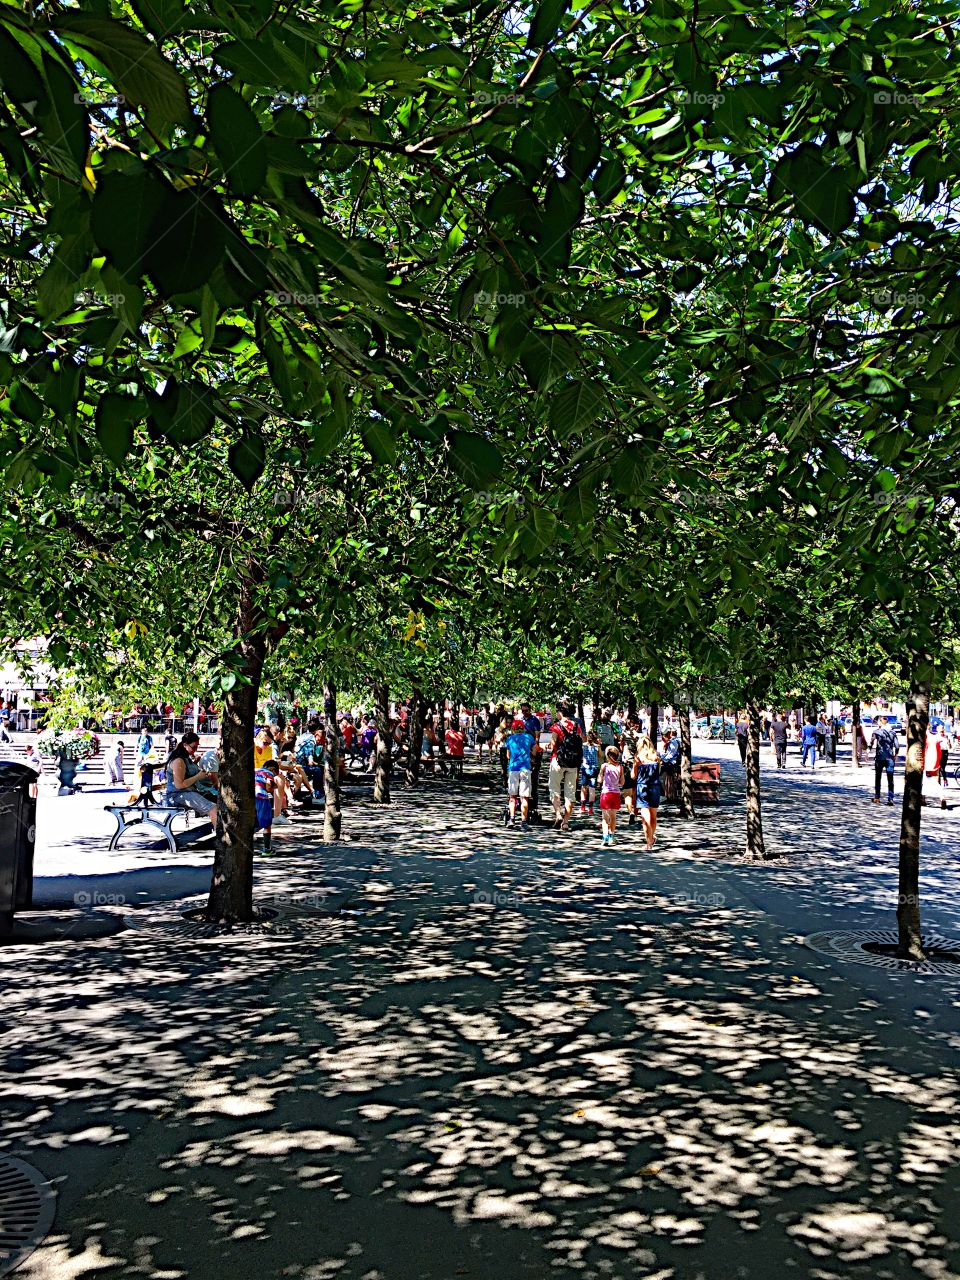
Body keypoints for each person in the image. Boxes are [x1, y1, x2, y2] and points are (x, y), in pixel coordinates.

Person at [164, 732, 218, 825]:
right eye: (194, 747)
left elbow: (186, 772)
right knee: (213, 808)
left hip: (189, 791)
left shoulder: (185, 757)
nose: (196, 750)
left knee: (218, 800)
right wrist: (198, 776)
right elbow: (179, 785)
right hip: (178, 795)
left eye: (197, 747)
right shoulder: (178, 760)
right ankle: (221, 836)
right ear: (185, 745)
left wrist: (195, 762)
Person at [549, 701, 583, 832]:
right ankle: (566, 822)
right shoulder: (576, 726)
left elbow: (553, 744)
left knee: (554, 789)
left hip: (557, 760)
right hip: (573, 763)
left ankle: (558, 814)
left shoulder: (556, 726)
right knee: (570, 793)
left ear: (560, 712)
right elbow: (581, 740)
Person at [503, 719, 535, 828]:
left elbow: (508, 755)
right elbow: (534, 751)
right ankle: (524, 822)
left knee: (512, 796)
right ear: (523, 728)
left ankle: (512, 819)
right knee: (524, 797)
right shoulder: (529, 738)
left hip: (513, 768)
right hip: (525, 768)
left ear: (513, 728)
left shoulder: (510, 739)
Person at [634, 734, 663, 851]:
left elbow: (633, 776)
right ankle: (651, 838)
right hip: (655, 788)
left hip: (642, 788)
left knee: (645, 818)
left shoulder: (638, 758)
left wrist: (636, 766)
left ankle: (649, 842)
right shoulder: (656, 757)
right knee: (653, 816)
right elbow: (659, 773)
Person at [869, 714, 899, 805]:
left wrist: (867, 753)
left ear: (880, 722)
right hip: (890, 758)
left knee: (878, 777)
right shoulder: (893, 732)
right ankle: (890, 798)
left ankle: (877, 797)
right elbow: (897, 746)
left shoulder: (876, 732)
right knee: (890, 779)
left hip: (879, 757)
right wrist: (895, 755)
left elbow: (871, 743)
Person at [598, 746, 624, 846]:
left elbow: (600, 780)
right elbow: (622, 782)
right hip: (616, 793)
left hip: (606, 793)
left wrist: (601, 775)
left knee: (605, 817)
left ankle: (605, 836)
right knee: (613, 816)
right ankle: (611, 836)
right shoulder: (620, 767)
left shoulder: (604, 766)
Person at [255, 757, 278, 854]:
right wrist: (273, 787)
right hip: (262, 797)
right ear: (272, 769)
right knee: (267, 824)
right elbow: (269, 787)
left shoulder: (256, 771)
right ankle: (267, 849)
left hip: (252, 797)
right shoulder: (269, 773)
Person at [922, 728, 947, 809]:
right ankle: (942, 797)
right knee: (935, 782)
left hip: (927, 762)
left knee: (925, 781)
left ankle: (923, 799)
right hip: (935, 763)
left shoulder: (927, 737)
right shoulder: (937, 738)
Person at [579, 730, 600, 816]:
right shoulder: (597, 747)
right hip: (594, 769)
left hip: (585, 768)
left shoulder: (583, 746)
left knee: (583, 787)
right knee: (592, 789)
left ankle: (582, 806)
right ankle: (590, 809)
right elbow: (600, 755)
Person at [938, 724, 950, 788]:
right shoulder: (936, 737)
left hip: (945, 752)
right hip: (938, 752)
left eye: (942, 730)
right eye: (940, 730)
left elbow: (950, 747)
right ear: (938, 730)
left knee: (942, 768)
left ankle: (945, 780)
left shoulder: (946, 736)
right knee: (938, 768)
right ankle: (939, 782)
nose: (942, 732)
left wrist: (949, 743)